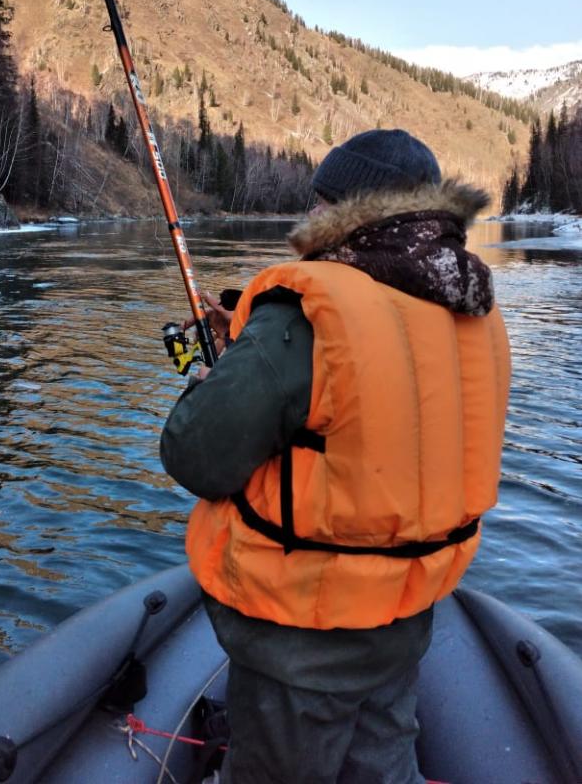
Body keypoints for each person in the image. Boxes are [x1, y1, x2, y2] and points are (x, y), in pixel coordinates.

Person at [160, 128, 511, 784]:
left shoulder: (300, 318)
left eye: (317, 201)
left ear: (339, 209)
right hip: (403, 618)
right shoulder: (467, 305)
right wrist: (247, 322)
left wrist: (204, 377)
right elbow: (378, 376)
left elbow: (196, 456)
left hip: (301, 639)